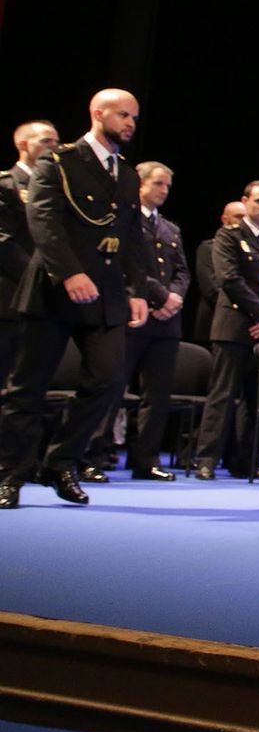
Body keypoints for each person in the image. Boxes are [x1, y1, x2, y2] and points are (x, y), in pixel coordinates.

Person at [0, 91, 152, 509]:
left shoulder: (125, 173)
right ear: (97, 113)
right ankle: (10, 472)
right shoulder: (60, 161)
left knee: (107, 379)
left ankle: (59, 462)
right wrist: (69, 272)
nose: (129, 124)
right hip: (54, 287)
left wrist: (137, 290)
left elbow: (132, 237)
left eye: (134, 118)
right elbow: (43, 219)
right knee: (26, 387)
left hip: (104, 293)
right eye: (123, 115)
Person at [193, 180, 259, 480]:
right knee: (222, 395)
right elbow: (229, 279)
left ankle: (246, 460)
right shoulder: (228, 236)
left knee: (255, 400)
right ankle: (207, 459)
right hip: (235, 326)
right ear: (246, 202)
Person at [93, 161, 188, 480]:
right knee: (113, 386)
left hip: (166, 321)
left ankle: (145, 459)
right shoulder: (125, 220)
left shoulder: (171, 228)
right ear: (140, 185)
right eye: (158, 184)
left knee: (157, 393)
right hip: (132, 313)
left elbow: (182, 271)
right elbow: (127, 265)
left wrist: (174, 299)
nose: (163, 191)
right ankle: (96, 454)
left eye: (167, 186)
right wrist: (162, 297)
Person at [0, 121, 58, 396]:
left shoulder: (56, 190)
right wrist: (40, 274)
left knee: (31, 384)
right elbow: (4, 241)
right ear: (23, 144)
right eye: (46, 141)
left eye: (56, 142)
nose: (53, 147)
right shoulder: (7, 185)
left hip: (43, 301)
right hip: (9, 298)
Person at [189, 200, 245, 346]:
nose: (242, 222)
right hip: (214, 321)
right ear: (225, 219)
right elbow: (211, 289)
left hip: (243, 325)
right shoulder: (209, 248)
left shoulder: (249, 251)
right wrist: (247, 306)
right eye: (238, 217)